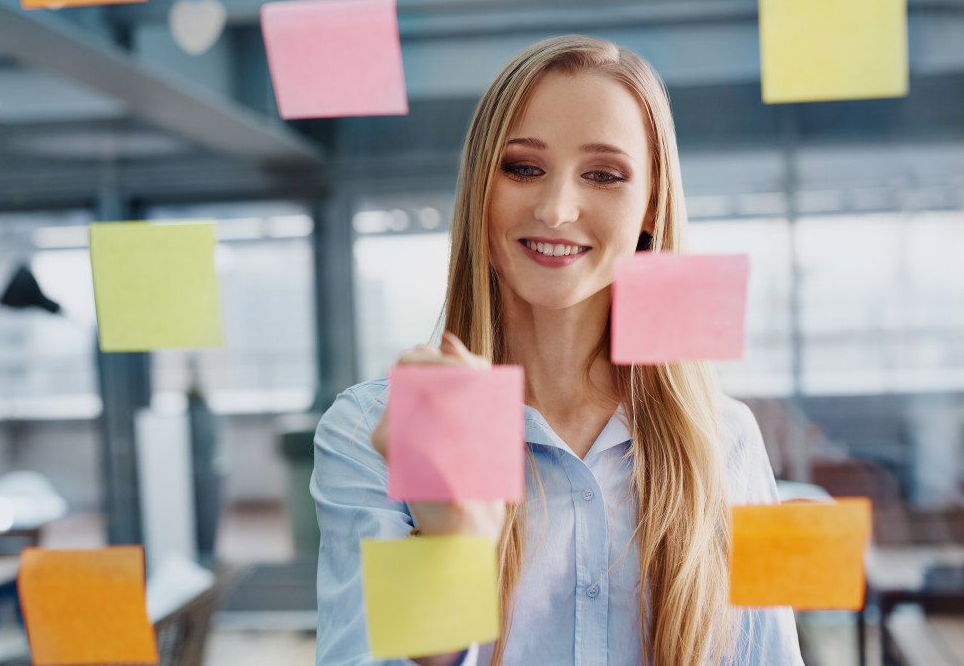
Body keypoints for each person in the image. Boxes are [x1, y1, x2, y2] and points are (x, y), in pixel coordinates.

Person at [311, 35, 805, 666]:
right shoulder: (373, 430)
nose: (556, 207)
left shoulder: (723, 439)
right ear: (480, 192)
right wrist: (455, 546)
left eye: (603, 175)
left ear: (651, 206)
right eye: (522, 168)